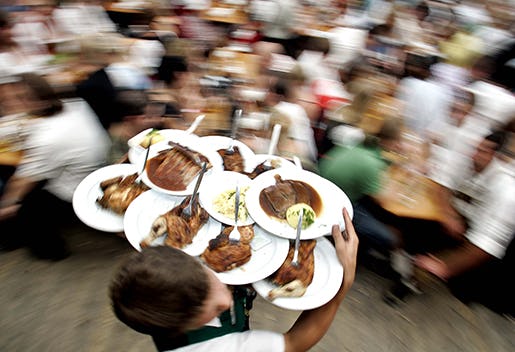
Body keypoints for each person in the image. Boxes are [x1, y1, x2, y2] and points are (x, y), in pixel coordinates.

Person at [109, 207, 358, 351]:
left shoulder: (167, 265)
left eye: (212, 280)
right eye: (215, 309)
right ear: (183, 327)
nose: (226, 301)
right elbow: (295, 343)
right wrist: (342, 286)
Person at [386, 130, 515, 309]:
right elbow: (442, 182)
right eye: (477, 148)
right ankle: (404, 271)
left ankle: (411, 283)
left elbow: (485, 245)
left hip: (476, 242)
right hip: (456, 220)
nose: (474, 154)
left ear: (499, 159)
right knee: (404, 222)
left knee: (429, 259)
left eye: (484, 152)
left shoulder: (506, 191)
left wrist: (445, 266)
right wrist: (449, 215)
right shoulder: (470, 160)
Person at [0, 73, 111, 259]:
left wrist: (7, 205)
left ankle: (50, 251)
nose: (8, 104)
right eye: (5, 99)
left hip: (76, 188)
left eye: (16, 99)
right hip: (95, 167)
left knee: (29, 207)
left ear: (38, 101)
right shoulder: (75, 104)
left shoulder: (48, 138)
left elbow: (23, 181)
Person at [319, 118, 402, 261]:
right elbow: (385, 200)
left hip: (324, 188)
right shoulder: (371, 164)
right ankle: (357, 254)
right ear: (390, 141)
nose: (401, 145)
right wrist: (400, 176)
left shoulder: (363, 144)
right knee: (391, 238)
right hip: (335, 207)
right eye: (399, 141)